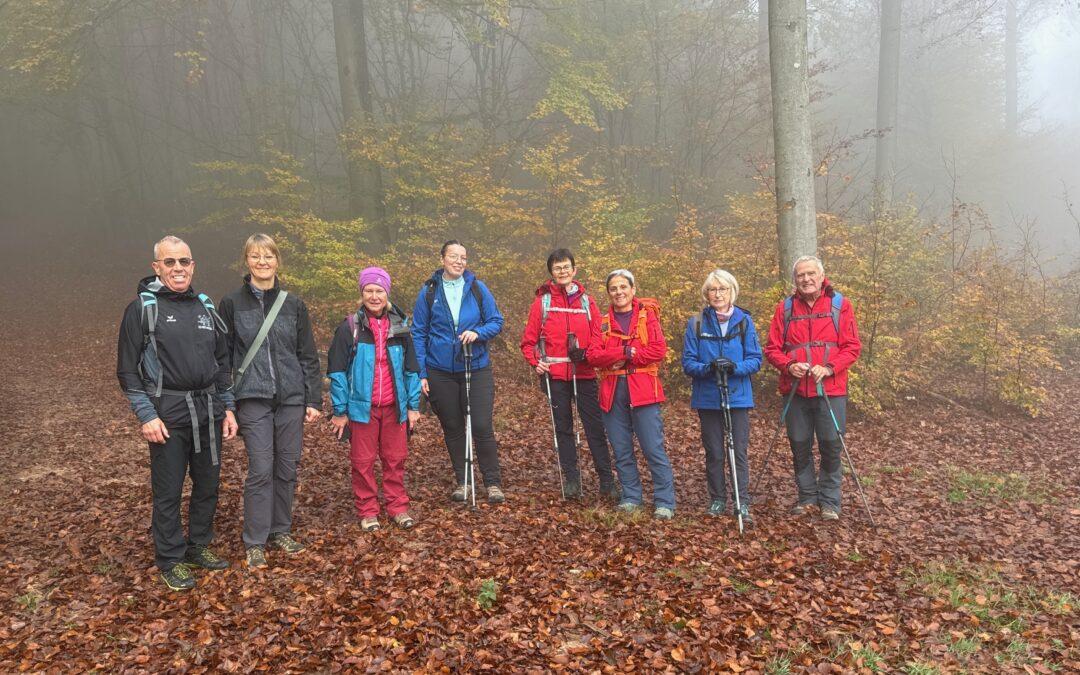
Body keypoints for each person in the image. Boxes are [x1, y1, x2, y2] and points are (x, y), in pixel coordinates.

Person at [116, 235, 238, 591]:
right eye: (169, 262)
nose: (178, 268)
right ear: (157, 267)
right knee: (168, 490)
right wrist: (145, 415)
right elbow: (127, 369)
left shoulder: (205, 308)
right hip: (166, 414)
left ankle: (198, 545)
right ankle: (170, 558)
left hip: (208, 412)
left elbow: (222, 362)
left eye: (184, 261)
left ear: (193, 265)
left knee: (208, 485)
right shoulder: (142, 309)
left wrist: (227, 407)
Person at [218, 234, 322, 569]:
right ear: (246, 260)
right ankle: (255, 541)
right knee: (261, 468)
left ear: (278, 261)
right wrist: (228, 405)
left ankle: (281, 530)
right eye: (255, 256)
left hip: (291, 397)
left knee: (286, 467)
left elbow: (307, 356)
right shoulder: (232, 303)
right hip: (252, 397)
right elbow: (223, 358)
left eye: (269, 256)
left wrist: (313, 398)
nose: (262, 262)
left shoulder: (294, 304)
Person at [763, 255, 862, 521]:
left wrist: (829, 367)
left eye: (810, 274)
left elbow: (852, 347)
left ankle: (830, 501)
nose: (806, 279)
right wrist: (788, 365)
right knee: (799, 445)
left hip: (831, 390)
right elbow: (772, 348)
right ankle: (807, 497)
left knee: (831, 445)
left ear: (821, 276)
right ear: (794, 280)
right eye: (800, 276)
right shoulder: (784, 308)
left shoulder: (841, 306)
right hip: (795, 390)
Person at [411, 241, 506, 503]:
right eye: (453, 256)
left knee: (481, 425)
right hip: (440, 370)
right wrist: (421, 372)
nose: (459, 261)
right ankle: (463, 481)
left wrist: (478, 333)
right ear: (442, 258)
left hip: (475, 367)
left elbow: (496, 321)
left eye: (463, 257)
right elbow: (418, 332)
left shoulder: (477, 287)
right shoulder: (429, 291)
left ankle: (492, 483)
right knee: (453, 426)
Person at [328, 267, 422, 531]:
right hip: (361, 409)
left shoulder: (400, 325)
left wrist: (413, 405)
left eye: (379, 290)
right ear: (361, 293)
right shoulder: (350, 327)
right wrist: (340, 409)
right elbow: (337, 370)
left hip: (395, 406)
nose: (374, 296)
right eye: (368, 290)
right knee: (363, 462)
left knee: (395, 459)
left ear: (387, 293)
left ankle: (398, 507)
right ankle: (368, 510)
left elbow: (412, 368)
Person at [520, 249, 618, 500]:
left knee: (594, 427)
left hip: (583, 373)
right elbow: (528, 342)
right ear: (551, 272)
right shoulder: (542, 302)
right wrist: (536, 362)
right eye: (557, 268)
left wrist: (587, 353)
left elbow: (599, 334)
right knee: (562, 427)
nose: (562, 272)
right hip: (555, 375)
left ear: (574, 270)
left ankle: (606, 480)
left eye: (566, 267)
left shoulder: (587, 301)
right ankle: (572, 479)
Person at [586, 269, 676, 519]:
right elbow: (593, 356)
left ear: (633, 289)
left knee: (652, 447)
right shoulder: (602, 321)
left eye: (623, 287)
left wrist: (620, 355)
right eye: (613, 288)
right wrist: (627, 353)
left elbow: (658, 350)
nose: (619, 292)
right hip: (612, 391)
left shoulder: (648, 317)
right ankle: (631, 496)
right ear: (609, 293)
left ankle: (665, 501)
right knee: (621, 447)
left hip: (644, 389)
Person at [681, 269, 762, 525]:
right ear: (706, 293)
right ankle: (717, 498)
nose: (718, 294)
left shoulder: (744, 322)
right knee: (714, 451)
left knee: (738, 451)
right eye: (713, 289)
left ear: (732, 292)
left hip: (738, 396)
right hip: (708, 396)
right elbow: (688, 363)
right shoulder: (696, 323)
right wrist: (709, 368)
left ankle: (742, 500)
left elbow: (756, 359)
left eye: (722, 289)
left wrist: (734, 367)